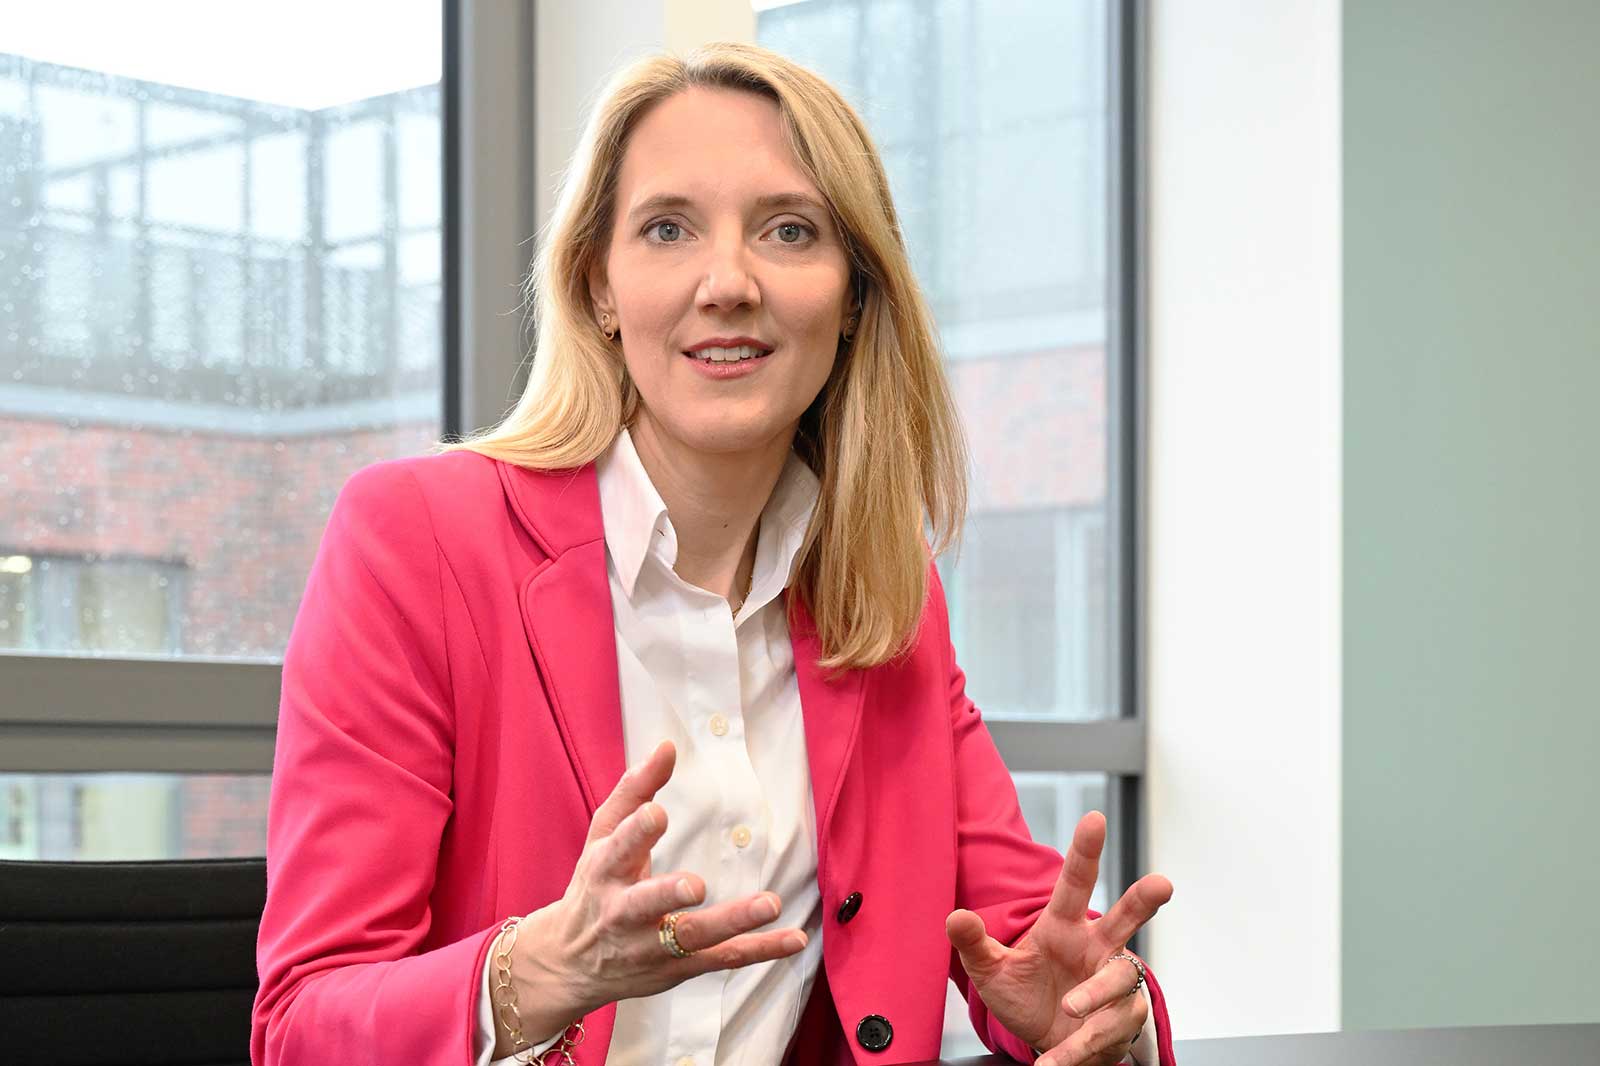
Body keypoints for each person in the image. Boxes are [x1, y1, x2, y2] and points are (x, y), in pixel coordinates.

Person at [250, 41, 1175, 1066]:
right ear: (598, 284)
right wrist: (538, 972)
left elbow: (1030, 939)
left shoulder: (883, 589)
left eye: (789, 230)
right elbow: (302, 1024)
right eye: (666, 228)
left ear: (854, 293)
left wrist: (1089, 1011)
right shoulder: (416, 537)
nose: (727, 281)